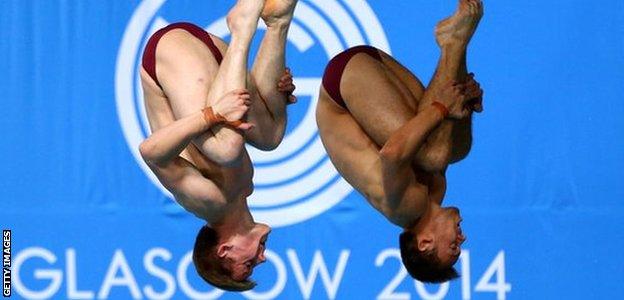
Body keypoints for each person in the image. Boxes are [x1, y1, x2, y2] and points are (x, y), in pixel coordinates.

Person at [316, 0, 484, 283]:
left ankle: (454, 44)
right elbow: (443, 138)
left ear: (425, 243)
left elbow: (392, 153)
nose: (462, 237)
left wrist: (443, 108)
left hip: (343, 90)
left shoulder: (405, 209)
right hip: (371, 71)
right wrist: (464, 105)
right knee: (457, 150)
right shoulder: (435, 193)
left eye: (453, 246)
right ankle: (455, 46)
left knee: (432, 155)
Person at [138, 0, 297, 291]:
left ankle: (242, 27)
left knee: (225, 149)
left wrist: (211, 115)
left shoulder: (207, 201)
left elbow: (151, 152)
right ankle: (277, 23)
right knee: (271, 135)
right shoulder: (244, 190)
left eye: (248, 263)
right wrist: (276, 94)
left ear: (224, 250)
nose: (262, 257)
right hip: (212, 62)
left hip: (170, 55)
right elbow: (245, 113)